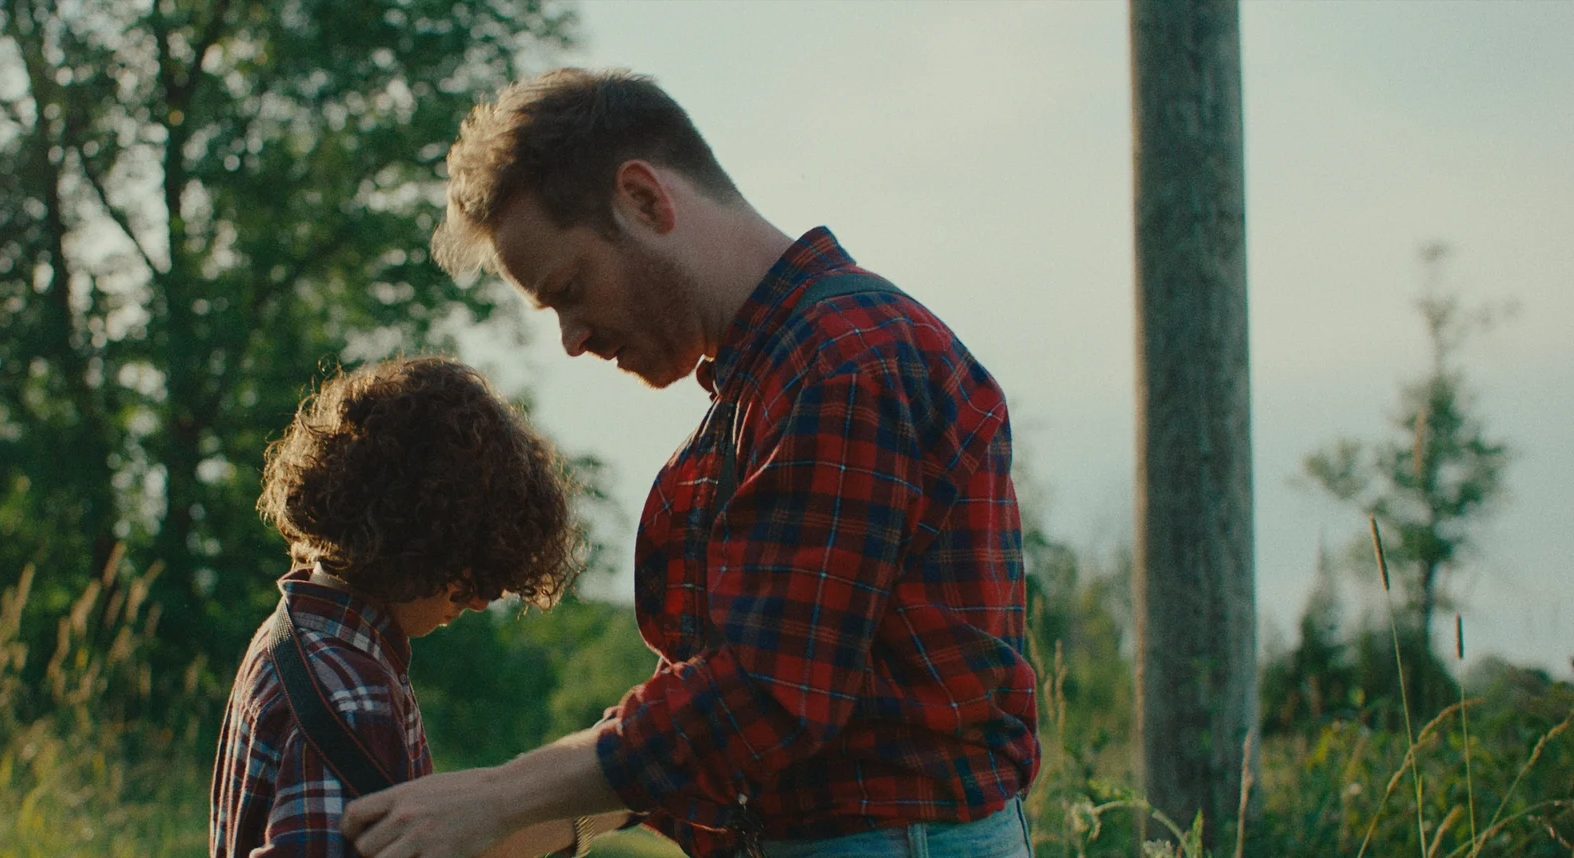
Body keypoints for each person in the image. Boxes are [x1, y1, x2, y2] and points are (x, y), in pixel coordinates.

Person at [342, 69, 1040, 858]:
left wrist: (498, 798)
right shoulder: (767, 389)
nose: (570, 339)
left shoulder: (846, 364)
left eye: (571, 288)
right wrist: (536, 823)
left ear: (644, 200)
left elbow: (770, 695)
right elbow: (712, 719)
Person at [210, 355, 600, 858]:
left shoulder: (291, 633)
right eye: (471, 573)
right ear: (419, 537)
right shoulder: (352, 698)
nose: (480, 602)